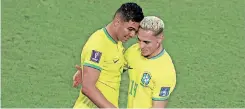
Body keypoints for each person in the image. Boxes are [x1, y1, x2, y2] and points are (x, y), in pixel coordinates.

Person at [72, 2, 144, 108]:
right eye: (130, 29)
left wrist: (86, 71)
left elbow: (111, 67)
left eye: (135, 31)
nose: (133, 35)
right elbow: (88, 88)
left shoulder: (117, 43)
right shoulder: (98, 45)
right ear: (117, 22)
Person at [125, 16, 176, 108]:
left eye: (146, 42)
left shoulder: (165, 71)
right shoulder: (133, 51)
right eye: (139, 40)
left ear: (160, 39)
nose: (141, 46)